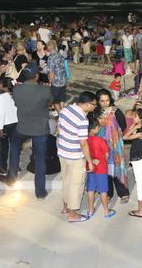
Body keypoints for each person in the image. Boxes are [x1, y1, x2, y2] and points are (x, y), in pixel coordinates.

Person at [0, 62, 52, 199]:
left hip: (22, 127)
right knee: (40, 159)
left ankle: (11, 178)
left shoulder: (17, 89)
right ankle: (40, 192)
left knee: (15, 149)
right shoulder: (45, 90)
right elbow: (50, 103)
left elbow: (17, 103)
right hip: (40, 128)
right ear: (36, 76)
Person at [56, 91, 97, 222]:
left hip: (62, 152)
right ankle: (73, 214)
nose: (94, 107)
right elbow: (83, 143)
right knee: (76, 184)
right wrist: (90, 161)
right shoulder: (82, 120)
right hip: (75, 155)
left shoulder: (65, 109)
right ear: (86, 103)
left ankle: (65, 206)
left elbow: (59, 127)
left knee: (66, 180)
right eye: (93, 105)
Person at [95, 89, 129, 202]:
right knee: (105, 168)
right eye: (102, 101)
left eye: (107, 100)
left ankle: (123, 192)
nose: (105, 103)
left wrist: (114, 135)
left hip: (115, 145)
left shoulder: (116, 111)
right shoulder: (95, 113)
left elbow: (123, 125)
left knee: (117, 166)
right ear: (98, 101)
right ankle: (108, 192)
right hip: (101, 144)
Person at [85, 119, 116, 219]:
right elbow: (107, 154)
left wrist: (92, 160)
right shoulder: (101, 140)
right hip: (101, 169)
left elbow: (84, 153)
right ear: (96, 129)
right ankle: (106, 212)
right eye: (98, 127)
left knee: (90, 189)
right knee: (103, 191)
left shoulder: (85, 141)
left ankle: (90, 210)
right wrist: (103, 161)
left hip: (90, 168)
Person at [0, 77, 17, 175]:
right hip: (16, 124)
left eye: (0, 84)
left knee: (4, 147)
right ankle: (15, 167)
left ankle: (3, 167)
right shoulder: (16, 95)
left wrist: (0, 128)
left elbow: (2, 113)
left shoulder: (1, 97)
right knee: (15, 147)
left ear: (4, 86)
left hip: (5, 125)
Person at [47, 40, 68, 112]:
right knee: (62, 97)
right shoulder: (60, 55)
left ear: (48, 48)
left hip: (56, 81)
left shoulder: (51, 58)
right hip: (63, 79)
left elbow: (51, 72)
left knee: (55, 100)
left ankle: (61, 115)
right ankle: (62, 110)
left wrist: (50, 82)